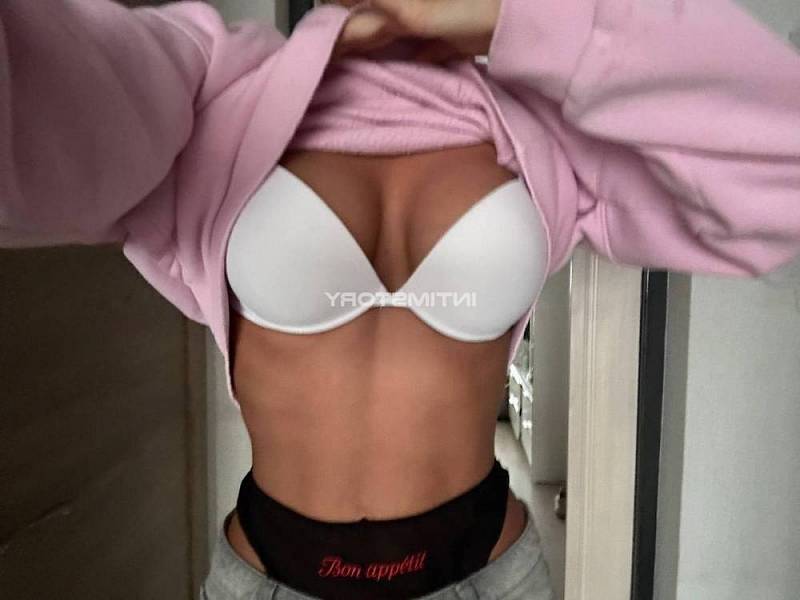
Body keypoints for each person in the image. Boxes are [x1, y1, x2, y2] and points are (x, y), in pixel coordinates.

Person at [1, 0, 798, 599]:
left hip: (490, 574)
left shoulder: (543, 125)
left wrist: (515, 19)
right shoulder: (211, 80)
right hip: (270, 578)